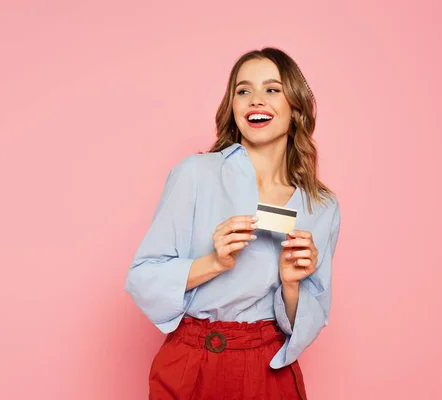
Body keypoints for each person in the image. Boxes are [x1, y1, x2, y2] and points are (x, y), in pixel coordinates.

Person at [125, 47, 341, 399]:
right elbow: (142, 277)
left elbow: (311, 318)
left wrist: (290, 285)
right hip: (191, 362)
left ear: (296, 108)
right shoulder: (195, 174)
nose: (256, 100)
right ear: (233, 107)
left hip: (268, 366)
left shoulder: (321, 205)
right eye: (244, 91)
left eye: (272, 89)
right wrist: (215, 262)